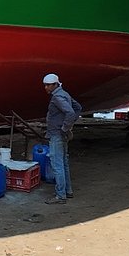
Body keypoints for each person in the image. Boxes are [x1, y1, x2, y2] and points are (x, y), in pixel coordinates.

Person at [42, 73, 81, 204]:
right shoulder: (65, 94)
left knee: (57, 165)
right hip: (62, 134)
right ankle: (68, 191)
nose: (46, 88)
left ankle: (60, 195)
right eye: (45, 85)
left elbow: (70, 112)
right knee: (64, 163)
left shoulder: (57, 98)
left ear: (55, 84)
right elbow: (78, 108)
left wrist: (64, 128)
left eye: (48, 85)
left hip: (56, 134)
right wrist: (68, 127)